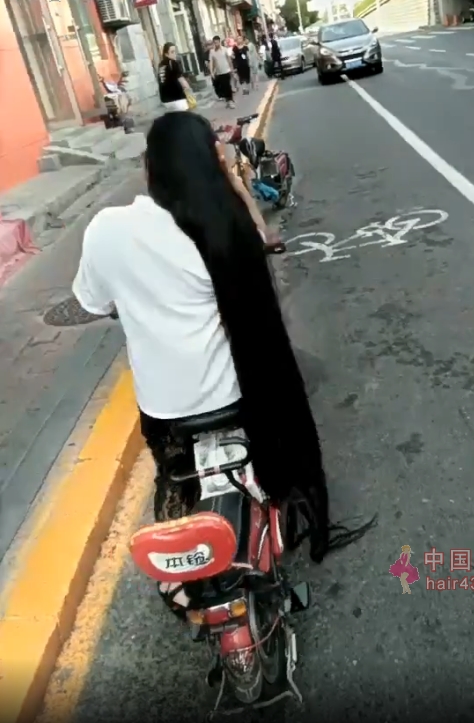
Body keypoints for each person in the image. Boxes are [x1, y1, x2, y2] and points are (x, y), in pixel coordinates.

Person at [72, 112, 375, 581]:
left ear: (150, 167)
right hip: (234, 399)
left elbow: (91, 302)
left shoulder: (105, 229)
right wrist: (233, 185)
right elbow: (259, 272)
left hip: (165, 411)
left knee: (171, 477)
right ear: (209, 165)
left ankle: (180, 557)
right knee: (256, 463)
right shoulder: (223, 227)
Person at [157, 42, 191, 112]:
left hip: (165, 100)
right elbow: (181, 79)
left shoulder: (161, 65)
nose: (175, 54)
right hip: (176, 97)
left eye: (175, 51)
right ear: (166, 54)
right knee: (185, 116)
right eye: (172, 52)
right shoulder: (173, 62)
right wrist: (189, 89)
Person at [208, 35, 235, 109]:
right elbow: (211, 62)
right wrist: (211, 72)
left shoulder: (225, 49)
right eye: (215, 43)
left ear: (219, 42)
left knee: (227, 86)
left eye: (217, 42)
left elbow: (229, 60)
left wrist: (232, 69)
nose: (216, 44)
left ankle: (230, 101)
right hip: (218, 72)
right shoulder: (212, 52)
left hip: (226, 70)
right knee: (223, 87)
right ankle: (228, 101)